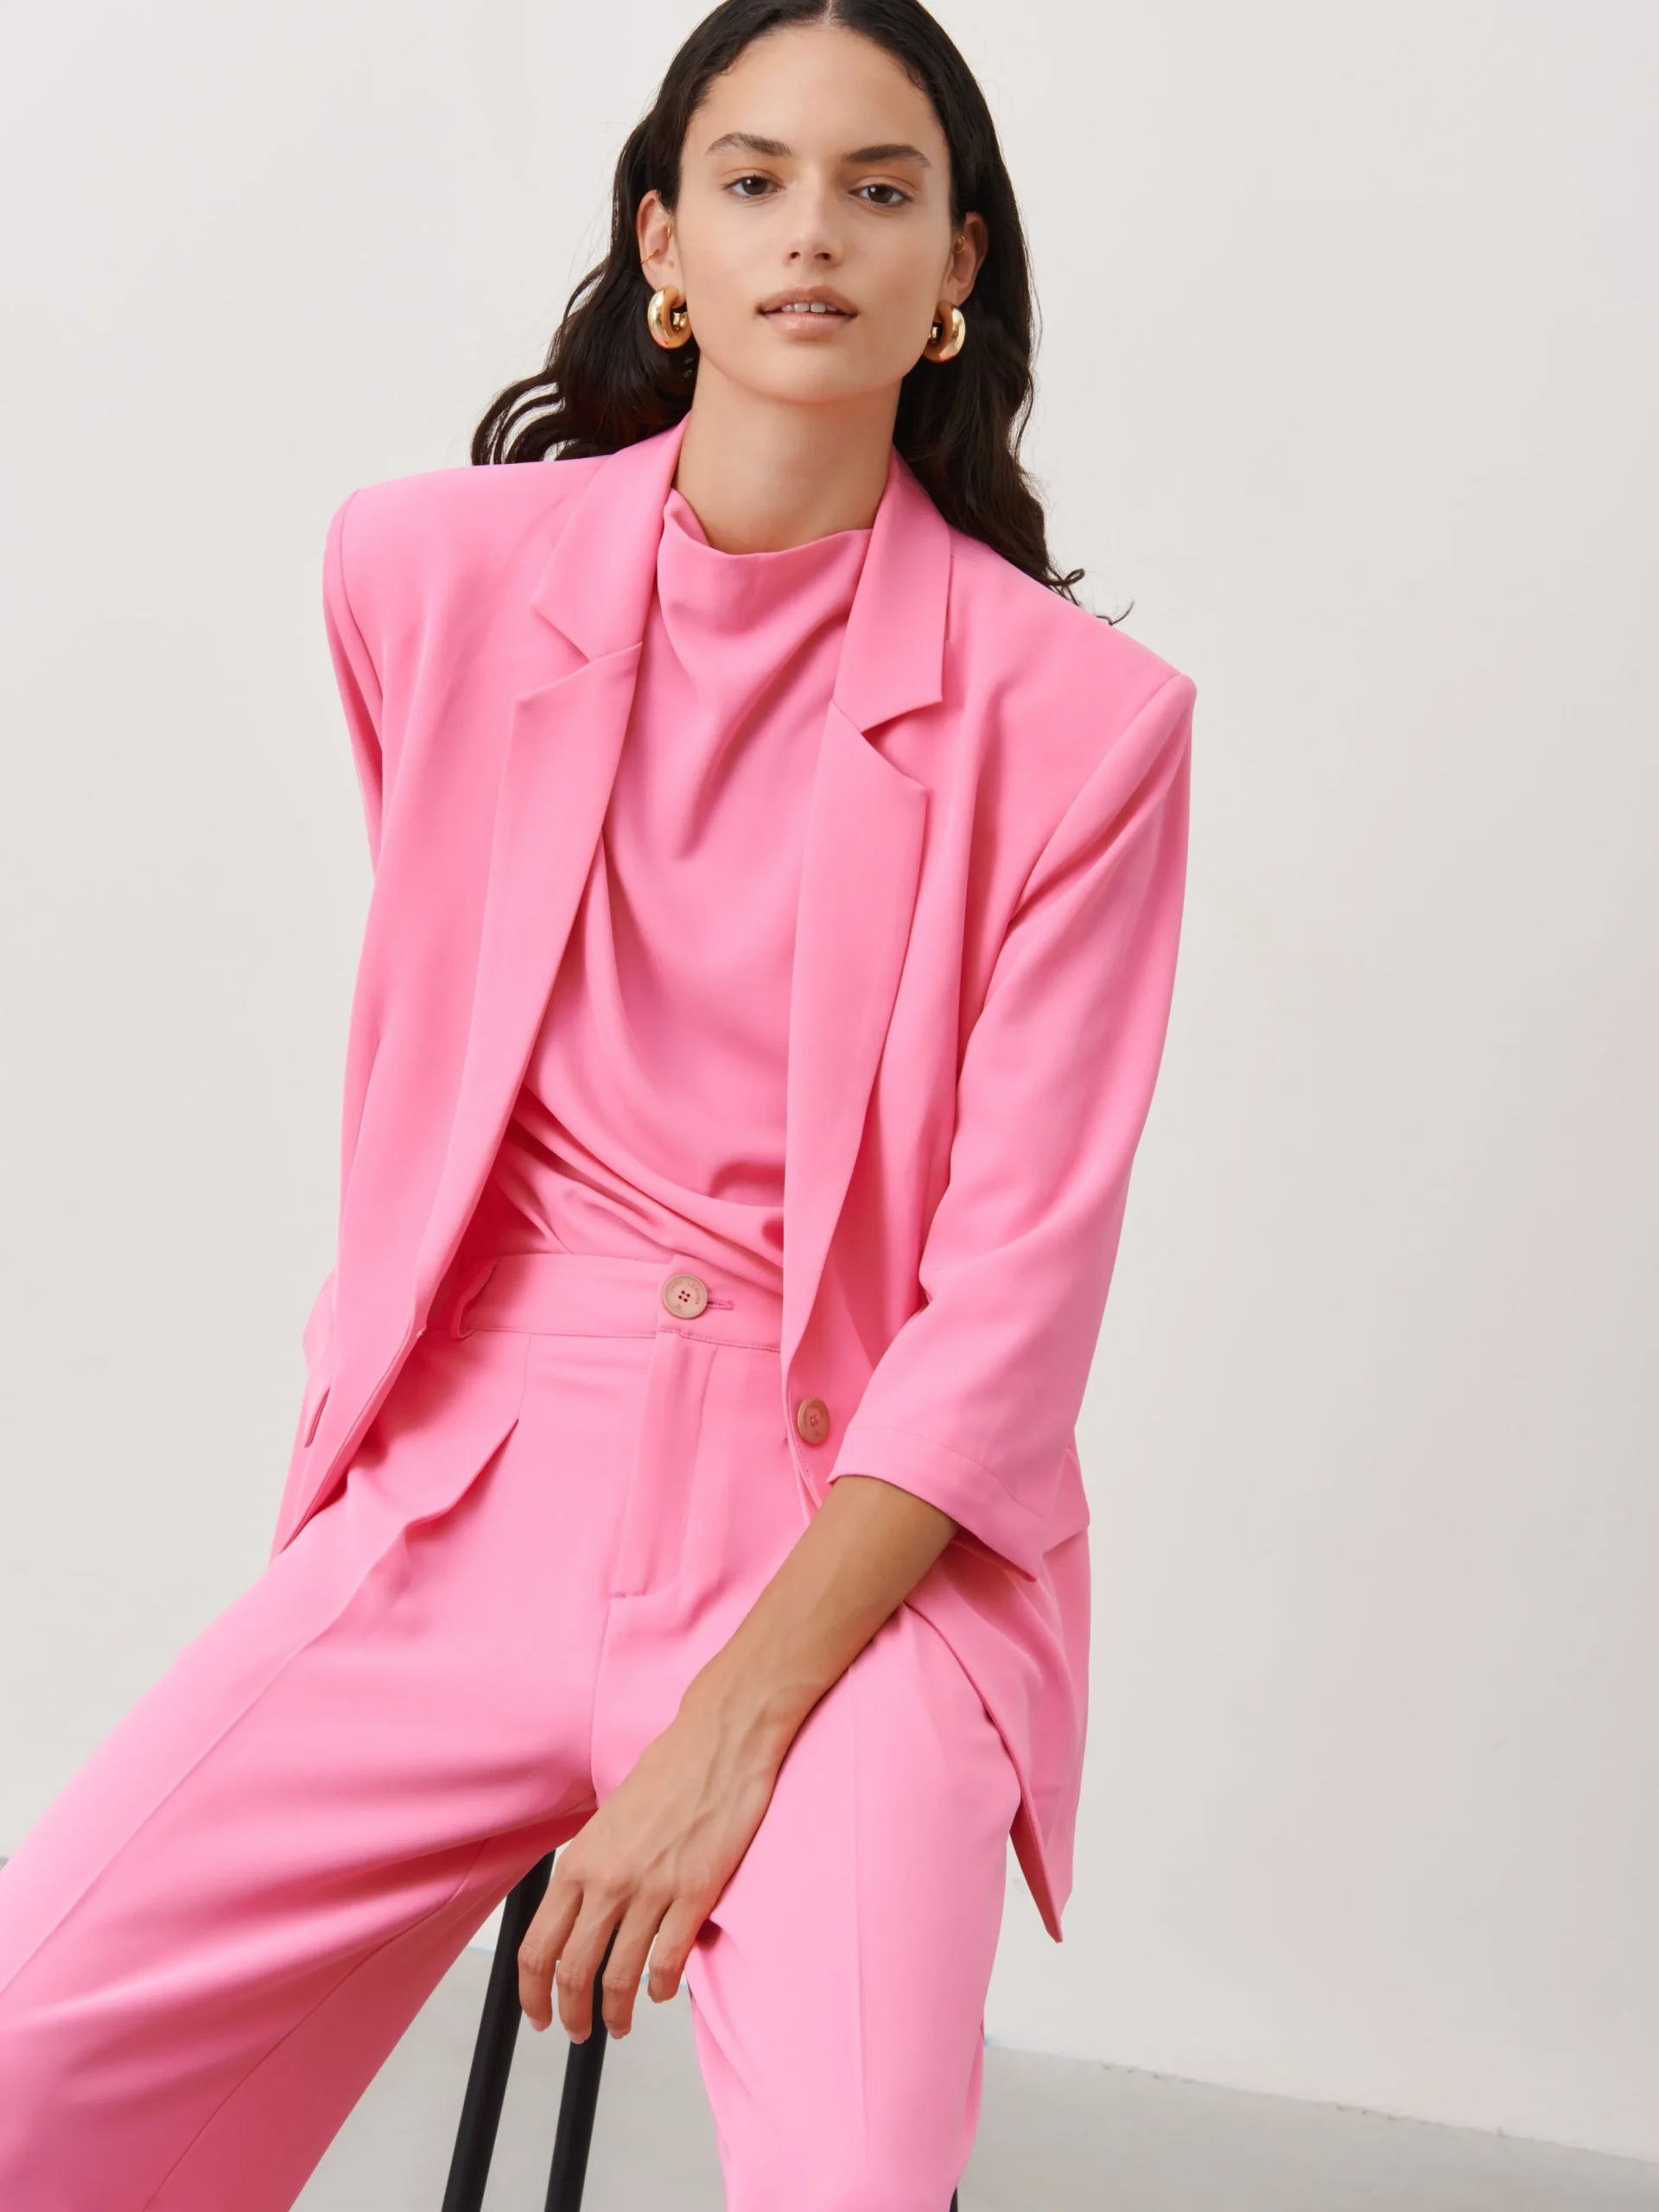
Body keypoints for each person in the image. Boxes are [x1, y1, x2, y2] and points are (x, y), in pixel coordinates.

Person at [0, 3, 1198, 2206]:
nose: (811, 234)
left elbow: (1009, 1325)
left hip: (848, 1540)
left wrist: (731, 1728)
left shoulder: (1083, 727)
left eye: (880, 189)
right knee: (24, 2056)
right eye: (752, 180)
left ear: (957, 269)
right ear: (664, 244)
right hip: (468, 1478)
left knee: (853, 2176)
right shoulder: (422, 574)